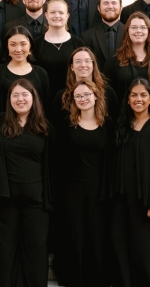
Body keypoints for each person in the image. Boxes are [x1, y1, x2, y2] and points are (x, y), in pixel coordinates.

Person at [0, 79, 54, 287]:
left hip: (36, 201)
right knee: (5, 250)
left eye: (25, 94)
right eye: (15, 95)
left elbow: (52, 165)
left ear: (33, 98)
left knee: (35, 250)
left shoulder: (45, 126)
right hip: (5, 200)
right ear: (9, 100)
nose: (20, 99)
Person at [108, 78, 150, 287]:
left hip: (148, 204)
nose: (138, 99)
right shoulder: (121, 127)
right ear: (127, 99)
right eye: (134, 95)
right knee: (121, 249)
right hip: (121, 200)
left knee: (146, 253)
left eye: (143, 95)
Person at [57, 80, 114, 287]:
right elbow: (60, 159)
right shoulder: (67, 124)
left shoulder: (107, 125)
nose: (83, 99)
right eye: (78, 96)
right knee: (76, 237)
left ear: (96, 96)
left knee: (97, 238)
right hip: (73, 190)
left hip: (100, 190)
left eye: (87, 95)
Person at [52, 47, 120, 128]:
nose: (83, 65)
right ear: (72, 67)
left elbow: (116, 123)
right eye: (78, 62)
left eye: (87, 61)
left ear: (93, 65)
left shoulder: (108, 93)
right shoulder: (62, 96)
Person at [0, 26, 50, 112]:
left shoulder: (41, 73)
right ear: (7, 46)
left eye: (23, 44)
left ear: (30, 45)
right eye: (13, 44)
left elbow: (46, 106)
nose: (18, 49)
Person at [35, 0, 86, 99]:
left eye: (61, 13)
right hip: (43, 99)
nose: (57, 16)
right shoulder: (36, 44)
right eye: (53, 12)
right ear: (46, 15)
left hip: (73, 99)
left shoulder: (78, 43)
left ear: (67, 16)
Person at [104, 12, 150, 99]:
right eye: (134, 27)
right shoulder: (114, 61)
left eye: (143, 27)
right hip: (122, 111)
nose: (138, 31)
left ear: (149, 31)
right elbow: (107, 92)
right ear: (127, 31)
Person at [82, 0, 125, 67]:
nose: (110, 6)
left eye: (114, 3)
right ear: (99, 8)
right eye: (105, 3)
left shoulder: (130, 33)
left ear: (121, 7)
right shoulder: (87, 36)